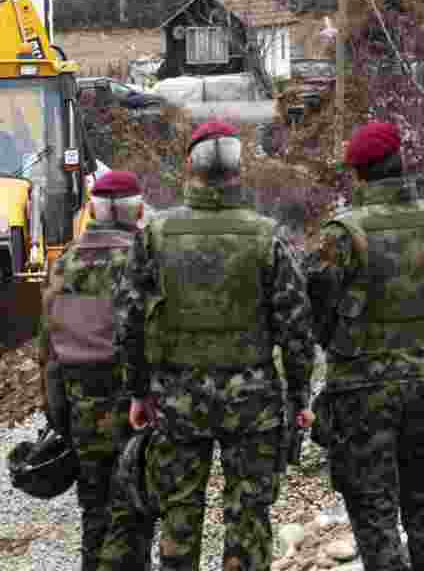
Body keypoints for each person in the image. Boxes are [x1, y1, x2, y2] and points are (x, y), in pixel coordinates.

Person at [101, 120, 315, 571]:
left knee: (179, 515)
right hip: (254, 402)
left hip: (178, 401)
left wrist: (139, 391)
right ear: (240, 171)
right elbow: (296, 326)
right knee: (249, 518)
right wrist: (299, 396)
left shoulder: (155, 236)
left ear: (189, 168)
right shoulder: (268, 236)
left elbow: (129, 322)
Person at [306, 121, 424, 571]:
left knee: (374, 515)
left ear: (357, 174)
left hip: (362, 393)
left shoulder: (342, 233)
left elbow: (314, 303)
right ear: (401, 164)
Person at [39, 170, 155, 571]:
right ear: (138, 211)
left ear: (91, 210)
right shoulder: (144, 258)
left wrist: (57, 412)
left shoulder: (64, 264)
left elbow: (49, 350)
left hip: (81, 408)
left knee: (94, 512)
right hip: (135, 408)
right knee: (136, 509)